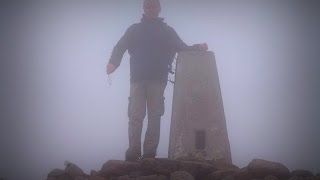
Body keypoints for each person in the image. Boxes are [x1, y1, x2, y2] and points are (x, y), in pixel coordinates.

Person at [106, 0, 208, 161]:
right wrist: (113, 62)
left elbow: (182, 47)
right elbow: (120, 47)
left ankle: (149, 154)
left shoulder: (167, 31)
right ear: (144, 9)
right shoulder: (134, 30)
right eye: (148, 6)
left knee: (155, 116)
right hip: (137, 80)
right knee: (135, 116)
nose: (151, 9)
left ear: (159, 9)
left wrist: (197, 47)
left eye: (154, 6)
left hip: (158, 80)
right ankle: (133, 153)